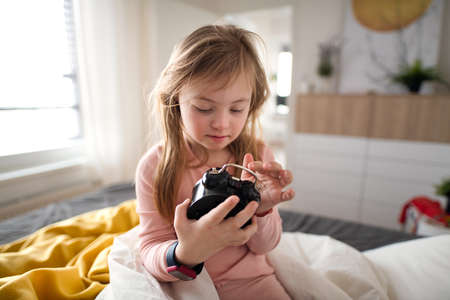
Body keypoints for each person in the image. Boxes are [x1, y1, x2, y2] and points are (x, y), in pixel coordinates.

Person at [135, 24, 295, 300]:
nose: (221, 123)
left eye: (236, 109)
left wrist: (263, 211)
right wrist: (186, 252)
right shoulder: (155, 166)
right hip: (188, 286)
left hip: (253, 281)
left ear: (252, 104)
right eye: (204, 108)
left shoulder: (257, 157)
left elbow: (265, 246)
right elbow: (150, 247)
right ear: (175, 101)